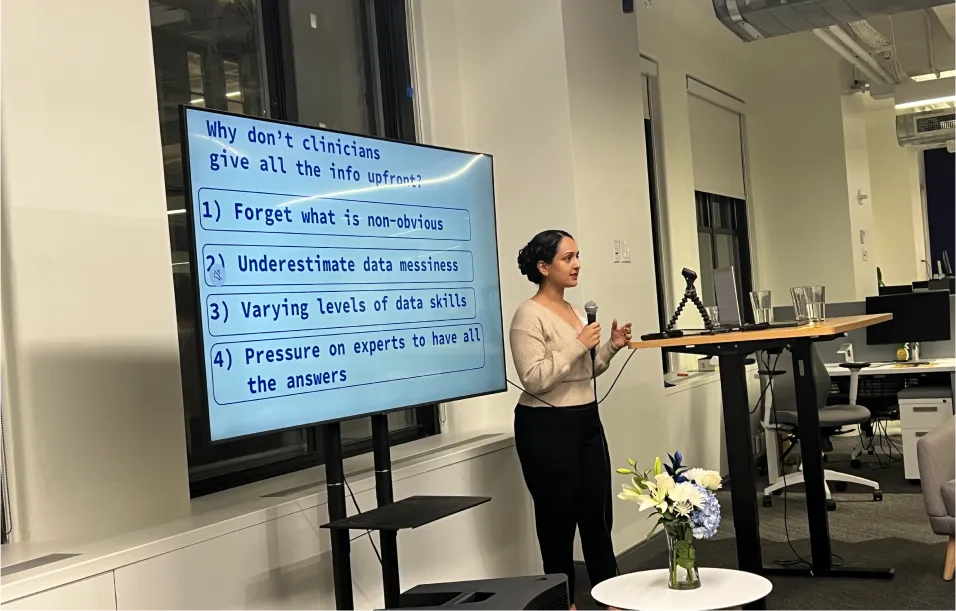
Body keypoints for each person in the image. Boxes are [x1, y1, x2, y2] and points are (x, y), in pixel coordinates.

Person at [510, 229, 632, 610]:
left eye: (577, 256)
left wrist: (610, 346)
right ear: (543, 267)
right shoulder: (527, 315)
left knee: (597, 516)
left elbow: (584, 370)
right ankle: (563, 603)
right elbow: (535, 378)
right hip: (545, 427)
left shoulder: (576, 312)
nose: (577, 264)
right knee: (557, 522)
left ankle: (609, 598)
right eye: (567, 258)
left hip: (585, 420)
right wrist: (578, 343)